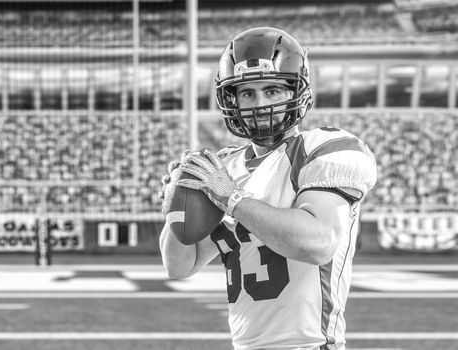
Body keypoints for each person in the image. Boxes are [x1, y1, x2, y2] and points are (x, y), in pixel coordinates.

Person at [158, 27, 377, 350]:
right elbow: (180, 264)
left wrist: (231, 199)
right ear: (231, 100)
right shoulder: (225, 167)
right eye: (247, 93)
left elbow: (317, 244)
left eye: (272, 90)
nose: (259, 104)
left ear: (295, 92)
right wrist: (176, 206)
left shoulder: (324, 148)